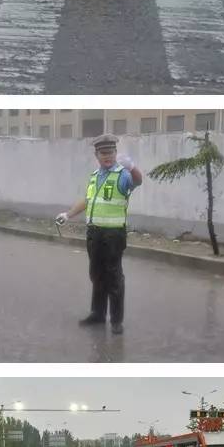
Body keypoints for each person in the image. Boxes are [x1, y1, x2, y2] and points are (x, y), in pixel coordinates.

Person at [55, 134, 143, 335]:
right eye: (103, 153)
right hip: (94, 233)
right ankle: (97, 314)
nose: (107, 156)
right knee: (96, 275)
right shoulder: (95, 176)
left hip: (113, 235)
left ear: (115, 153)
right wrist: (67, 215)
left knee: (114, 276)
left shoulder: (122, 174)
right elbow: (88, 200)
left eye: (111, 152)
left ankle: (116, 320)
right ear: (97, 155)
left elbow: (138, 181)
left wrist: (132, 167)